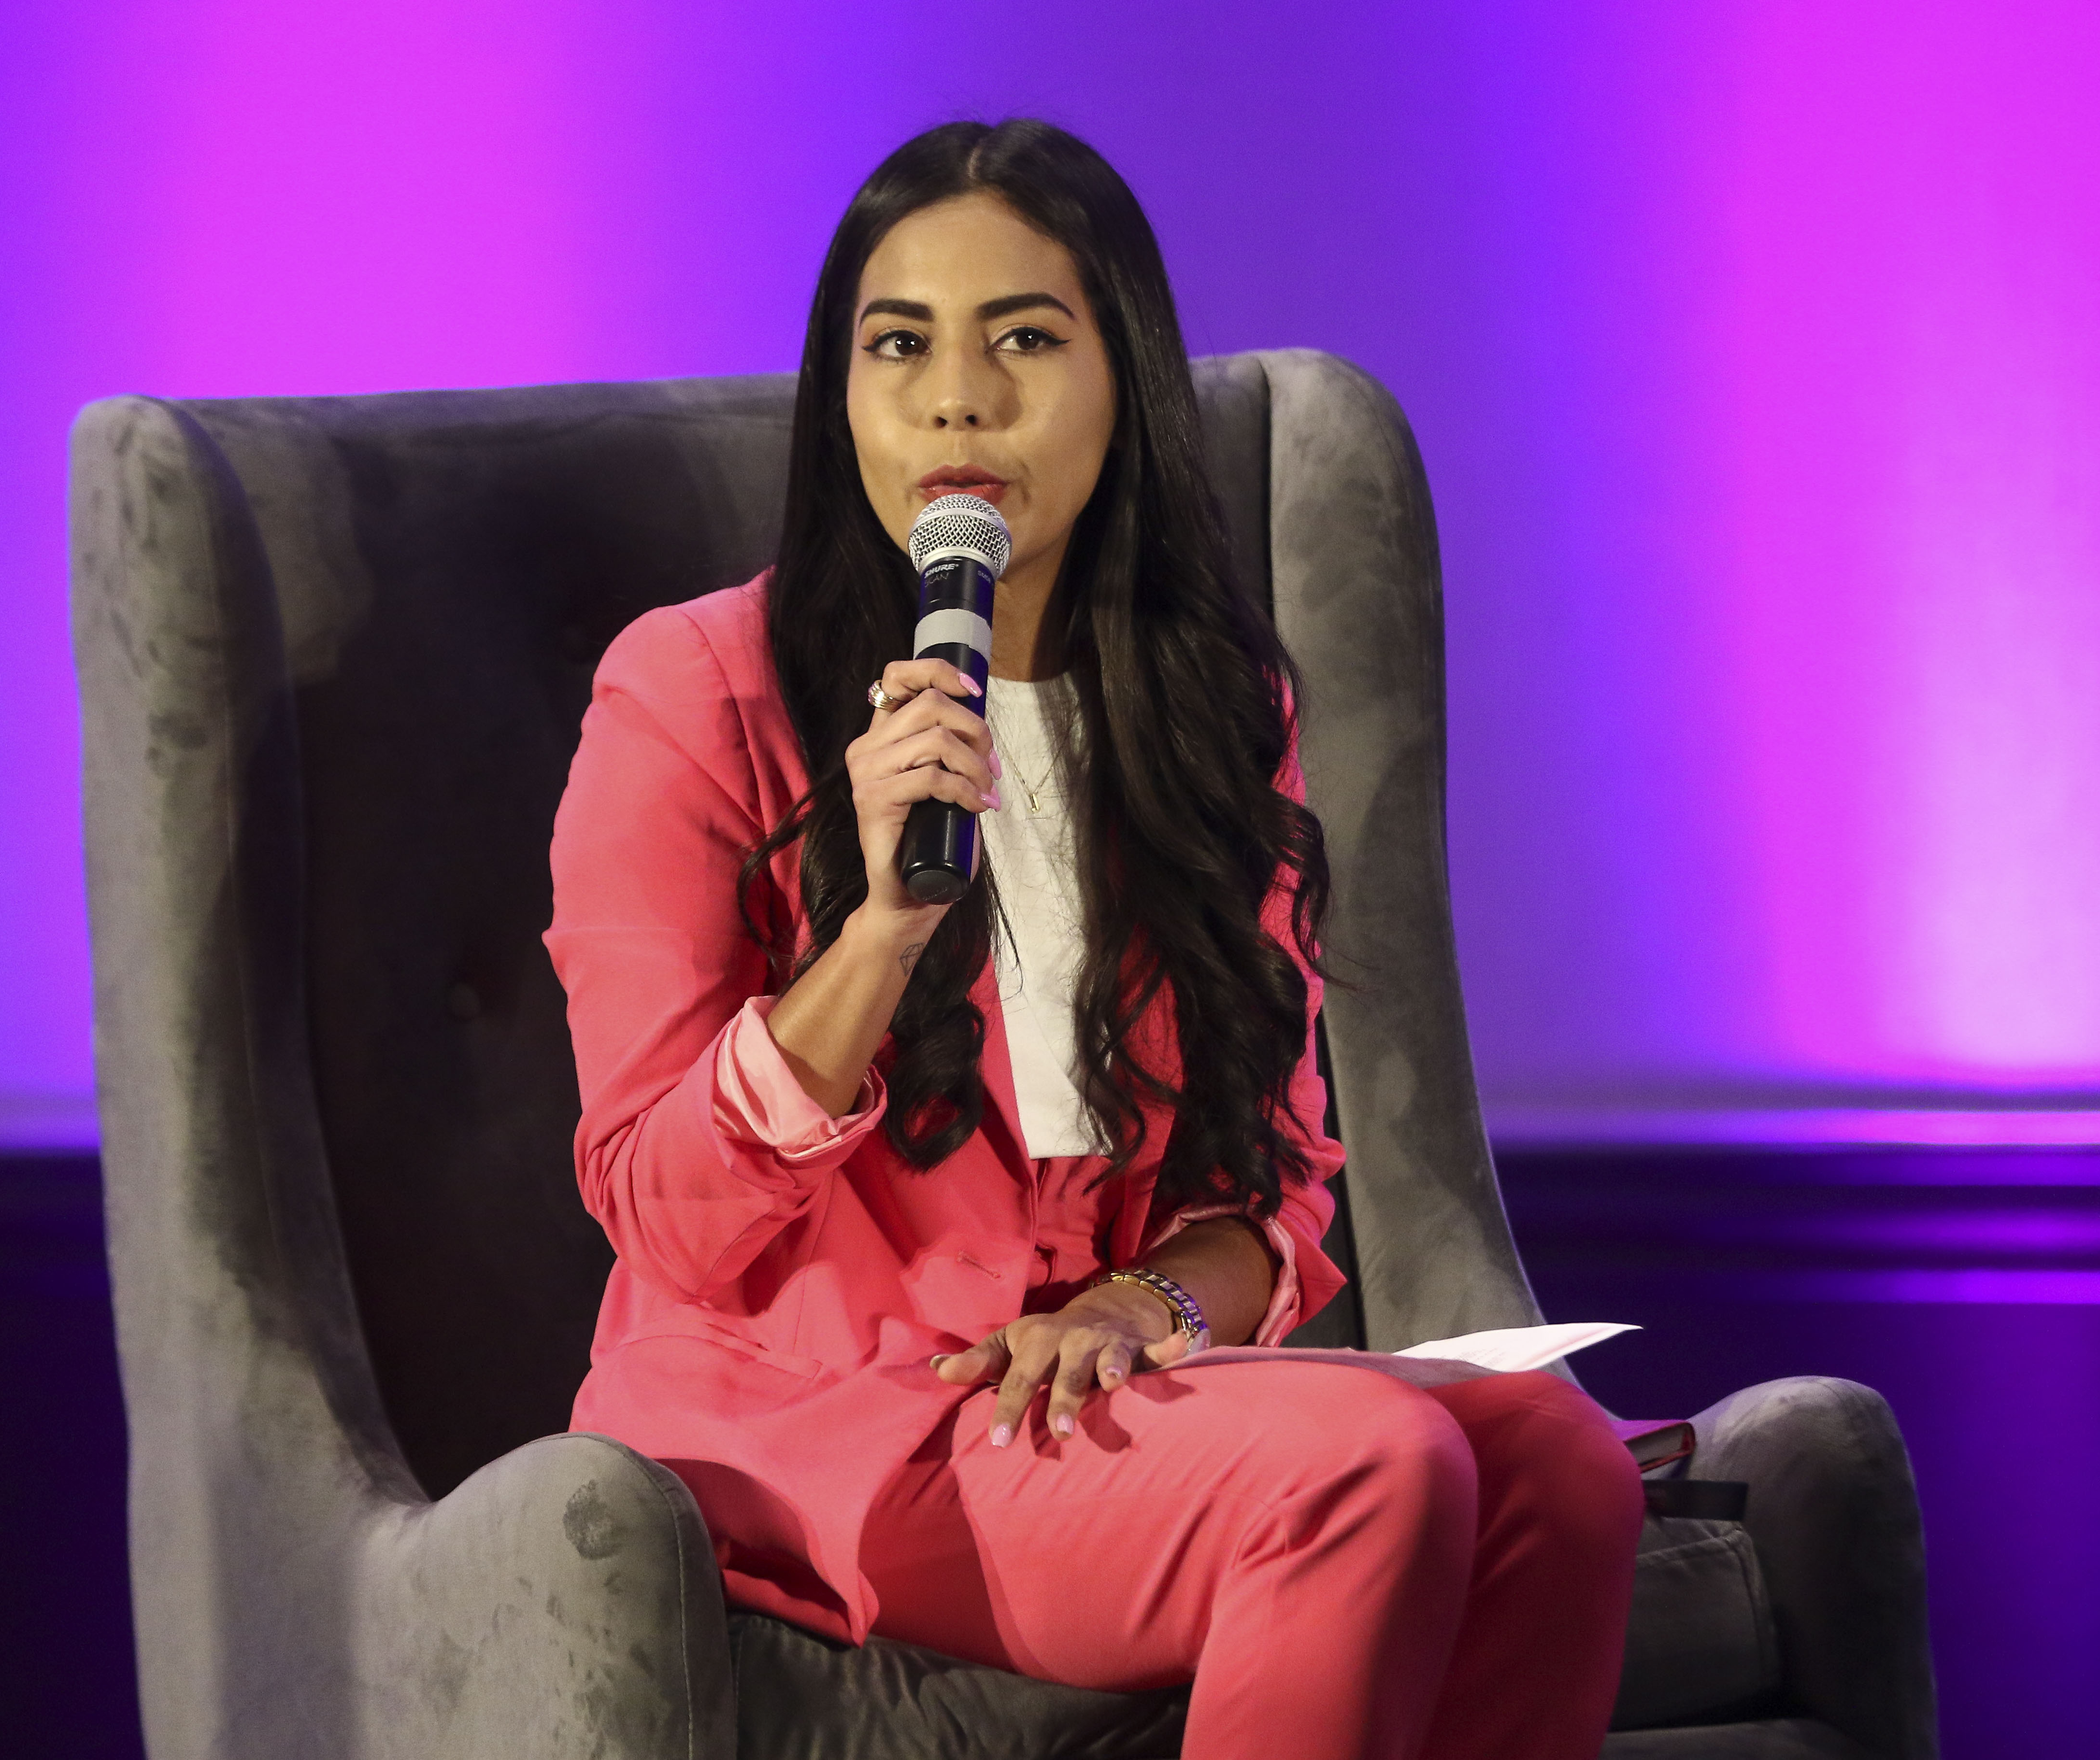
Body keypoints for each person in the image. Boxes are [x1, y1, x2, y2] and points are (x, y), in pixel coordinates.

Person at [545, 118, 1642, 1760]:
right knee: (1367, 1461)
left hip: (1088, 1393)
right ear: (840, 396)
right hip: (822, 1427)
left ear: (1122, 378)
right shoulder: (695, 689)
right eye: (898, 345)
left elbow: (1266, 1184)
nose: (955, 401)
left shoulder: (1207, 708)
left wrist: (1144, 1306)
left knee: (1563, 1464)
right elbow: (661, 1208)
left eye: (1023, 340)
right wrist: (879, 929)